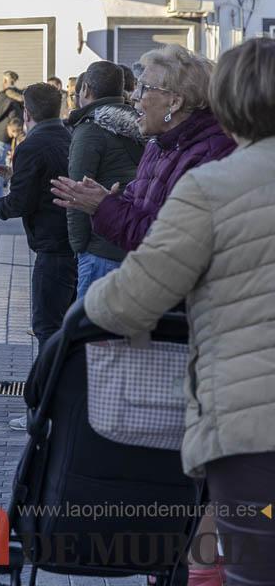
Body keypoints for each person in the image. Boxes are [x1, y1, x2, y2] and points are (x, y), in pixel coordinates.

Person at [84, 38, 275, 586]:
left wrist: (86, 307)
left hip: (252, 428)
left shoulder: (212, 186)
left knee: (253, 568)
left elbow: (132, 298)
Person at [52, 45, 235, 256]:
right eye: (137, 87)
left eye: (144, 88)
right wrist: (108, 200)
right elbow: (140, 207)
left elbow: (170, 243)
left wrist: (104, 207)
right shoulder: (158, 143)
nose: (134, 97)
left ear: (174, 102)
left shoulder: (212, 154)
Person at [0, 83, 75, 353]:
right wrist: (14, 176)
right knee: (69, 326)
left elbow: (20, 202)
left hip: (53, 246)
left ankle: (48, 390)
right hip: (76, 241)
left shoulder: (31, 146)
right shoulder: (70, 136)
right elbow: (48, 180)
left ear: (27, 113)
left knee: (47, 326)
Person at [63, 61, 144, 298]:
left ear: (85, 89)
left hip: (101, 250)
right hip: (134, 240)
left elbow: (76, 192)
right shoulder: (142, 123)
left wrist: (79, 247)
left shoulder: (90, 130)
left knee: (90, 331)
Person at [0, 71, 24, 198]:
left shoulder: (5, 95)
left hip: (4, 135)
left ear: (6, 81)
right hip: (15, 134)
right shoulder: (20, 95)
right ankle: (6, 195)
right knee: (9, 166)